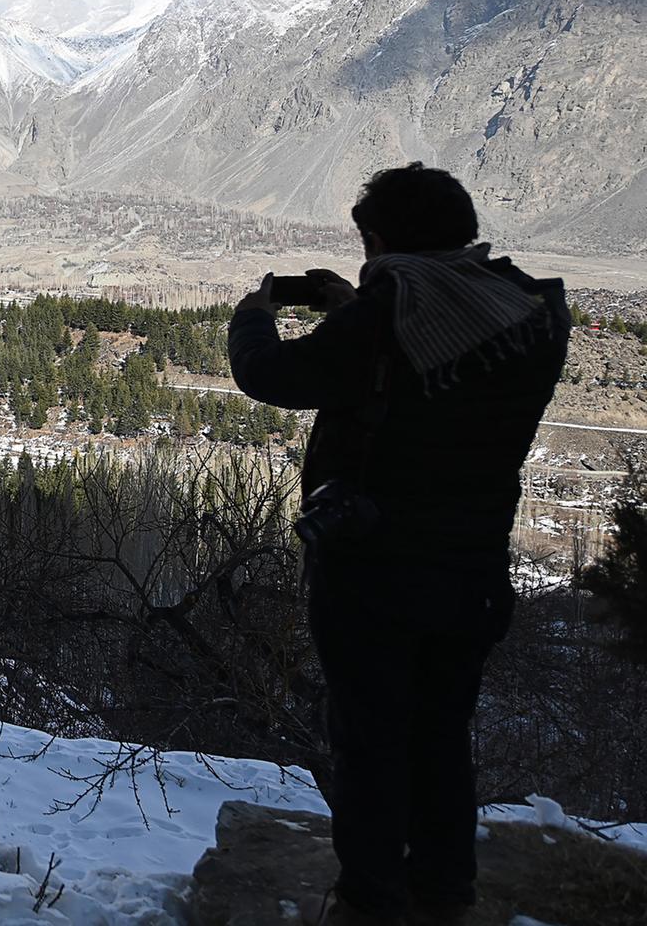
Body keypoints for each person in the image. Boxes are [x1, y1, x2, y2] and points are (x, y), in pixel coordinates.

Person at [227, 163, 569, 926]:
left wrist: (253, 314)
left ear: (377, 242)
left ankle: (369, 902)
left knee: (370, 740)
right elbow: (428, 375)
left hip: (376, 573)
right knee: (442, 735)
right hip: (474, 569)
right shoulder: (528, 311)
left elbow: (273, 374)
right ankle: (445, 894)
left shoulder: (390, 315)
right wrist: (362, 307)